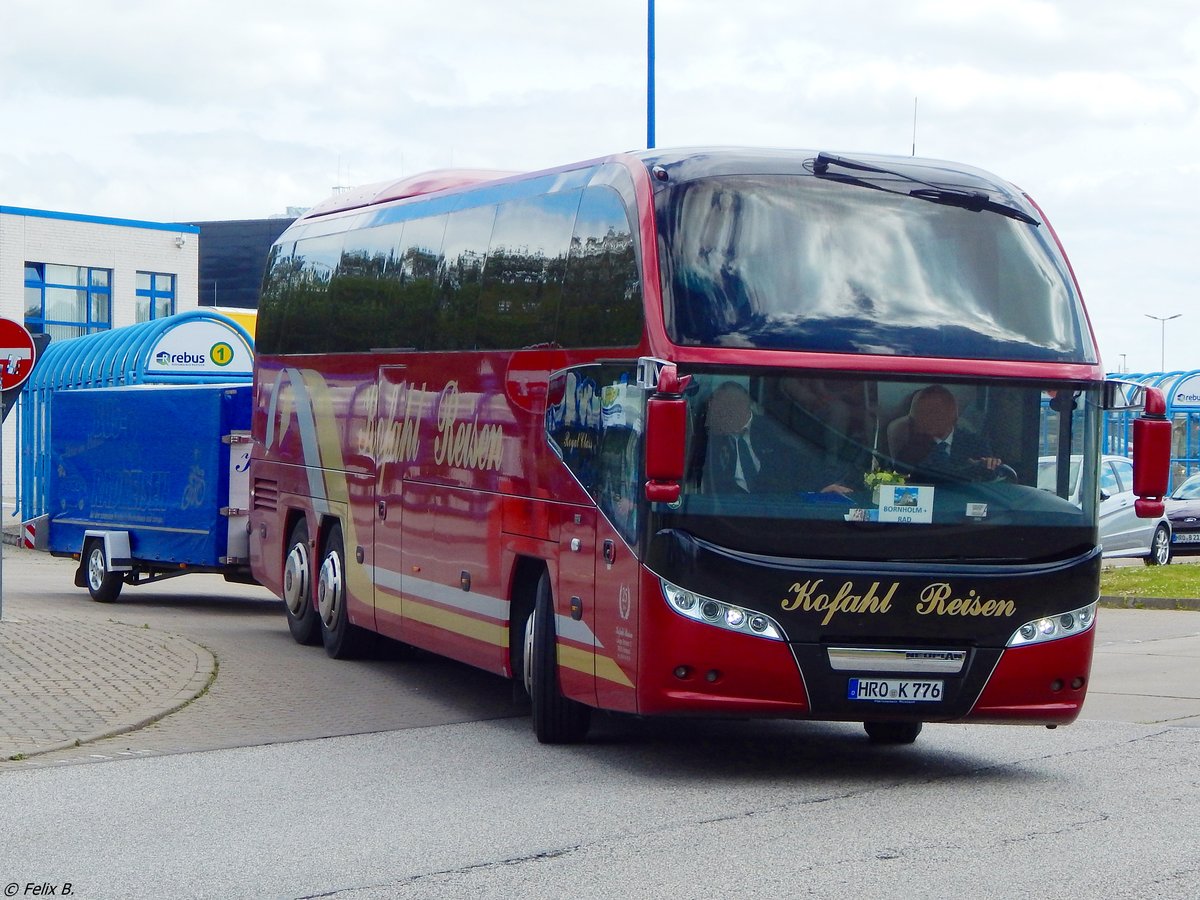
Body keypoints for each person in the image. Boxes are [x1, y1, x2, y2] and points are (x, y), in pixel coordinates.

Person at [702, 381, 852, 495]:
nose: (719, 416)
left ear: (744, 405)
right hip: (731, 512)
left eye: (726, 409)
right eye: (718, 410)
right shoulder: (712, 439)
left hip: (776, 508)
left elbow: (801, 464)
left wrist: (822, 487)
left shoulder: (774, 428)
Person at [890, 385, 1002, 475]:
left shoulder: (976, 443)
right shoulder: (912, 448)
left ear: (951, 414)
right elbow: (901, 481)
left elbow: (992, 480)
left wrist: (989, 465)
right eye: (921, 413)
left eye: (933, 412)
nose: (925, 418)